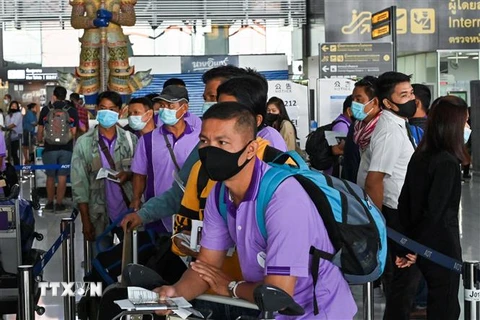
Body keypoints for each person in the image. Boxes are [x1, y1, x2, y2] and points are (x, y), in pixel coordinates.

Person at [154, 102, 357, 319]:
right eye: (204, 141)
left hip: (318, 312)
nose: (210, 150)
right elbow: (206, 267)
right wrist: (175, 294)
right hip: (269, 310)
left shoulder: (284, 198)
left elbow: (278, 293)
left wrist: (230, 286)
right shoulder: (220, 193)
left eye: (222, 142)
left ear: (250, 149)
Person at [121, 65, 282, 230]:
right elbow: (180, 192)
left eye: (216, 100)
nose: (216, 111)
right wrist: (143, 214)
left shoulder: (270, 147)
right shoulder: (205, 147)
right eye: (210, 99)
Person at [383, 96, 469, 320]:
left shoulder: (420, 155)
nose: (467, 128)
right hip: (441, 248)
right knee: (446, 305)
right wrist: (415, 249)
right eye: (464, 122)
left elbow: (404, 202)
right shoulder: (448, 162)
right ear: (453, 125)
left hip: (417, 243)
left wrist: (408, 246)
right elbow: (435, 214)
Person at [357, 72, 416, 298]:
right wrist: (379, 222)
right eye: (404, 95)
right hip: (393, 212)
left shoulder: (399, 123)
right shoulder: (389, 130)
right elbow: (374, 180)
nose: (411, 99)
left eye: (411, 93)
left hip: (400, 208)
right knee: (401, 281)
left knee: (405, 280)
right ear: (388, 103)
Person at [71, 91, 137, 250]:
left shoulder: (130, 140)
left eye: (112, 109)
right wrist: (85, 221)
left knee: (130, 263)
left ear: (120, 112)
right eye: (103, 108)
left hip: (126, 213)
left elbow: (141, 174)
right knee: (100, 264)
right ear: (96, 110)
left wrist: (128, 175)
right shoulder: (83, 143)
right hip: (98, 216)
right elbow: (79, 184)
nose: (107, 113)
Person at [130, 85, 200, 233]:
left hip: (191, 210)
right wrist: (136, 200)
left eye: (170, 105)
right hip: (157, 213)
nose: (165, 109)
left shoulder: (199, 138)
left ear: (184, 108)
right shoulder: (147, 140)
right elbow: (139, 174)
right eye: (162, 105)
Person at [67, 0, 151, 108]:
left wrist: (112, 16)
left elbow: (130, 19)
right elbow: (75, 21)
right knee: (89, 76)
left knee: (120, 76)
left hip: (116, 41)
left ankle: (120, 109)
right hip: (90, 41)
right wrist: (92, 22)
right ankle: (91, 109)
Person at [37, 86, 79, 212]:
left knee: (50, 176)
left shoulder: (46, 109)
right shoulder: (71, 110)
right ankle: (59, 203)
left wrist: (39, 141)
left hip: (49, 148)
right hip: (66, 148)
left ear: (54, 96)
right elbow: (74, 131)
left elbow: (40, 130)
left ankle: (50, 202)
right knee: (62, 177)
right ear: (65, 96)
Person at [341, 76, 381, 183]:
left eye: (358, 99)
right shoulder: (356, 127)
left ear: (375, 102)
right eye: (353, 99)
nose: (354, 103)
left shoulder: (383, 129)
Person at [4, 101, 23, 165]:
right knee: (9, 153)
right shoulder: (7, 115)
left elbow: (14, 124)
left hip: (17, 136)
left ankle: (17, 168)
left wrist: (6, 128)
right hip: (9, 137)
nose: (13, 107)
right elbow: (6, 124)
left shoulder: (19, 114)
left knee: (14, 153)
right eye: (12, 106)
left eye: (15, 106)